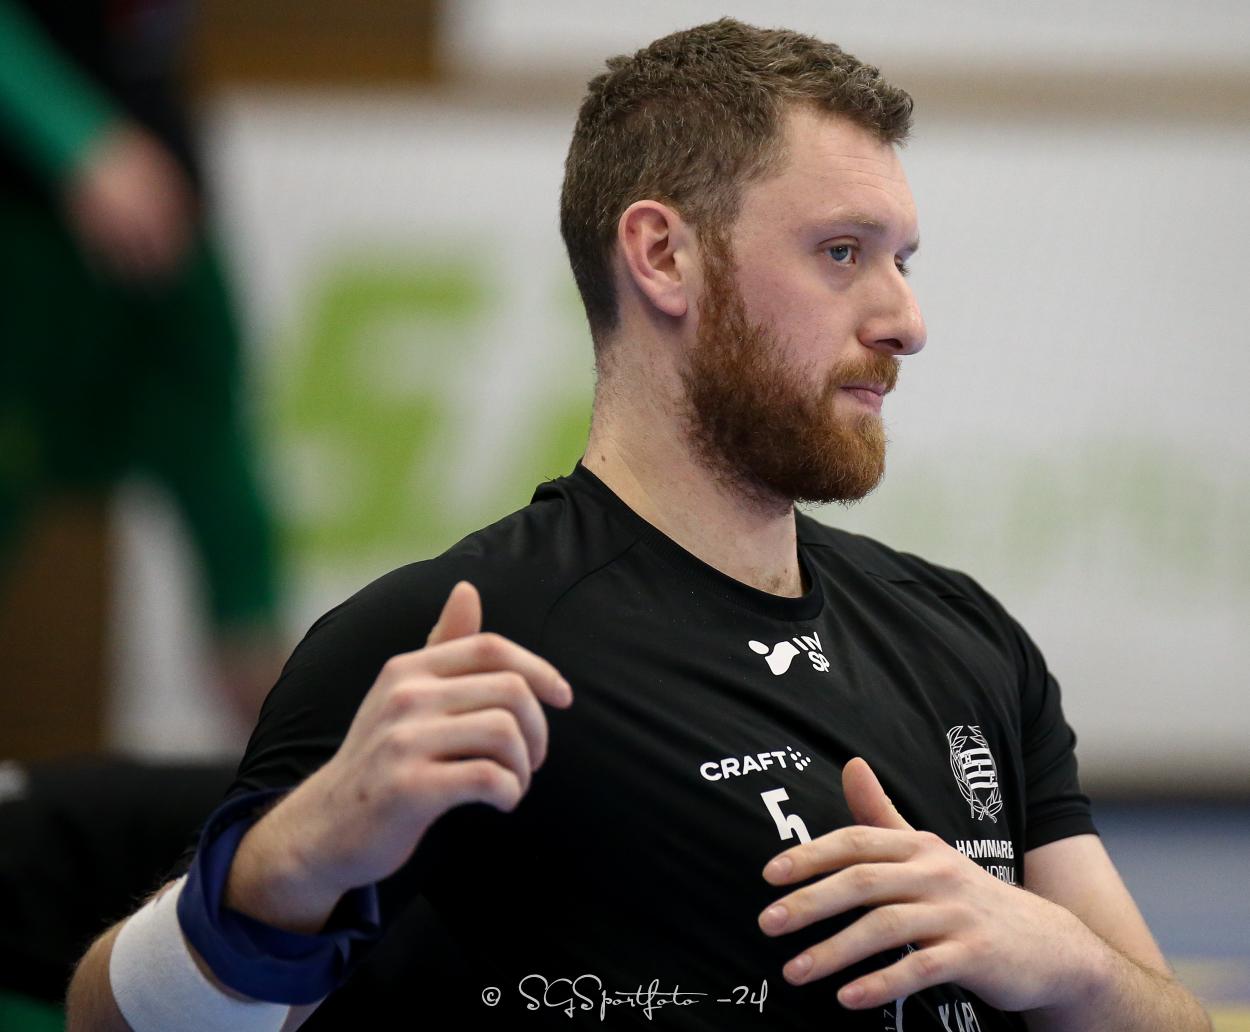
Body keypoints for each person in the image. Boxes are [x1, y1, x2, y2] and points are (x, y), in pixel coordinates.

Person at [66, 18, 1211, 1032]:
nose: (905, 319)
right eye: (841, 253)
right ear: (662, 256)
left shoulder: (964, 640)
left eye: (901, 261)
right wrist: (282, 867)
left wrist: (1059, 961)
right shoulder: (447, 650)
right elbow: (113, 1026)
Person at [0, 0, 284, 734]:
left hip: (156, 214)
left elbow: (215, 439)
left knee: (239, 562)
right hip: (31, 239)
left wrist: (249, 620)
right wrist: (77, 140)